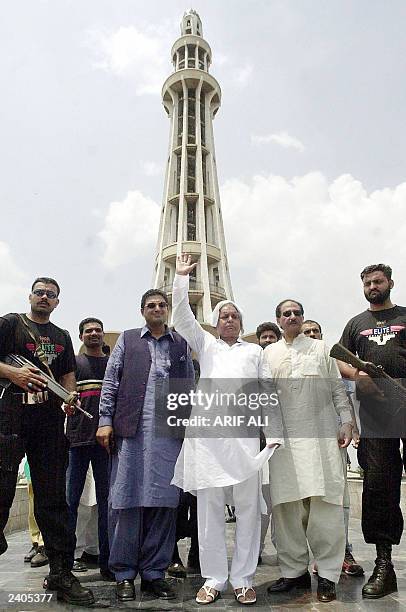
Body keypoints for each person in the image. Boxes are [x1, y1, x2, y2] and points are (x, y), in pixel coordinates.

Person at [171, 254, 283, 606]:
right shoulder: (206, 346)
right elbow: (181, 317)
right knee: (209, 511)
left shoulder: (254, 352)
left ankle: (244, 578)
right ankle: (214, 578)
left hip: (245, 439)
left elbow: (266, 391)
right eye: (223, 316)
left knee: (249, 510)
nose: (229, 320)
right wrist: (181, 279)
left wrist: (274, 432)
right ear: (216, 323)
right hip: (208, 441)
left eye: (234, 316)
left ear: (240, 322)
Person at [0, 277, 94, 606]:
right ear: (30, 296)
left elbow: (68, 374)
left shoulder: (61, 336)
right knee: (2, 490)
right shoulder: (10, 325)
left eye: (50, 295)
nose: (44, 297)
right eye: (39, 292)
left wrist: (69, 395)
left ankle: (61, 572)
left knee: (54, 499)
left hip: (49, 422)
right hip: (10, 418)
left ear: (57, 303)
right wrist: (12, 374)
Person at [96, 289, 194, 602]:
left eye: (161, 305)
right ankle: (124, 573)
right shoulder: (127, 340)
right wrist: (105, 421)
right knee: (126, 502)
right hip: (131, 432)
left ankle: (154, 573)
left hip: (168, 434)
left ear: (167, 310)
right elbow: (111, 381)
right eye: (150, 305)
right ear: (142, 311)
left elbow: (188, 390)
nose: (156, 309)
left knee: (164, 504)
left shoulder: (180, 344)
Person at [264, 300, 353, 603]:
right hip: (284, 443)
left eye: (296, 313)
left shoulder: (322, 349)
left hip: (321, 440)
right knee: (287, 508)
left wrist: (347, 422)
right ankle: (294, 573)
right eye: (286, 313)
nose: (292, 317)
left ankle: (328, 574)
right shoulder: (269, 354)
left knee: (324, 507)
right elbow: (264, 398)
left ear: (302, 319)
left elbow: (339, 390)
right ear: (278, 320)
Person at [338, 264, 406, 599]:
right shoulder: (356, 325)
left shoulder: (404, 316)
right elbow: (339, 360)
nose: (372, 286)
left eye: (377, 281)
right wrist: (358, 376)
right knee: (379, 487)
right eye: (366, 283)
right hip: (377, 415)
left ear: (390, 283)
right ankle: (384, 564)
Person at [301, 319, 364, 577]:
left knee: (340, 501)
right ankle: (317, 556)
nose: (312, 334)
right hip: (304, 447)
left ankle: (343, 552)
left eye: (316, 330)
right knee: (309, 503)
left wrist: (354, 429)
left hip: (336, 443)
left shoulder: (333, 364)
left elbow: (348, 400)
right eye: (307, 332)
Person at [65, 318, 113, 580]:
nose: (93, 334)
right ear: (81, 336)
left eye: (97, 330)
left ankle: (108, 562)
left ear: (103, 335)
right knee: (70, 502)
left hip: (106, 443)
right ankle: (66, 561)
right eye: (88, 331)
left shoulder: (113, 365)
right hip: (76, 441)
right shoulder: (73, 363)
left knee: (107, 503)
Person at [255, 321, 281, 563]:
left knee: (280, 503)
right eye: (264, 337)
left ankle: (283, 549)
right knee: (261, 504)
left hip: (280, 446)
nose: (268, 340)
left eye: (272, 337)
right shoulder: (251, 369)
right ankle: (257, 549)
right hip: (258, 445)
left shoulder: (283, 368)